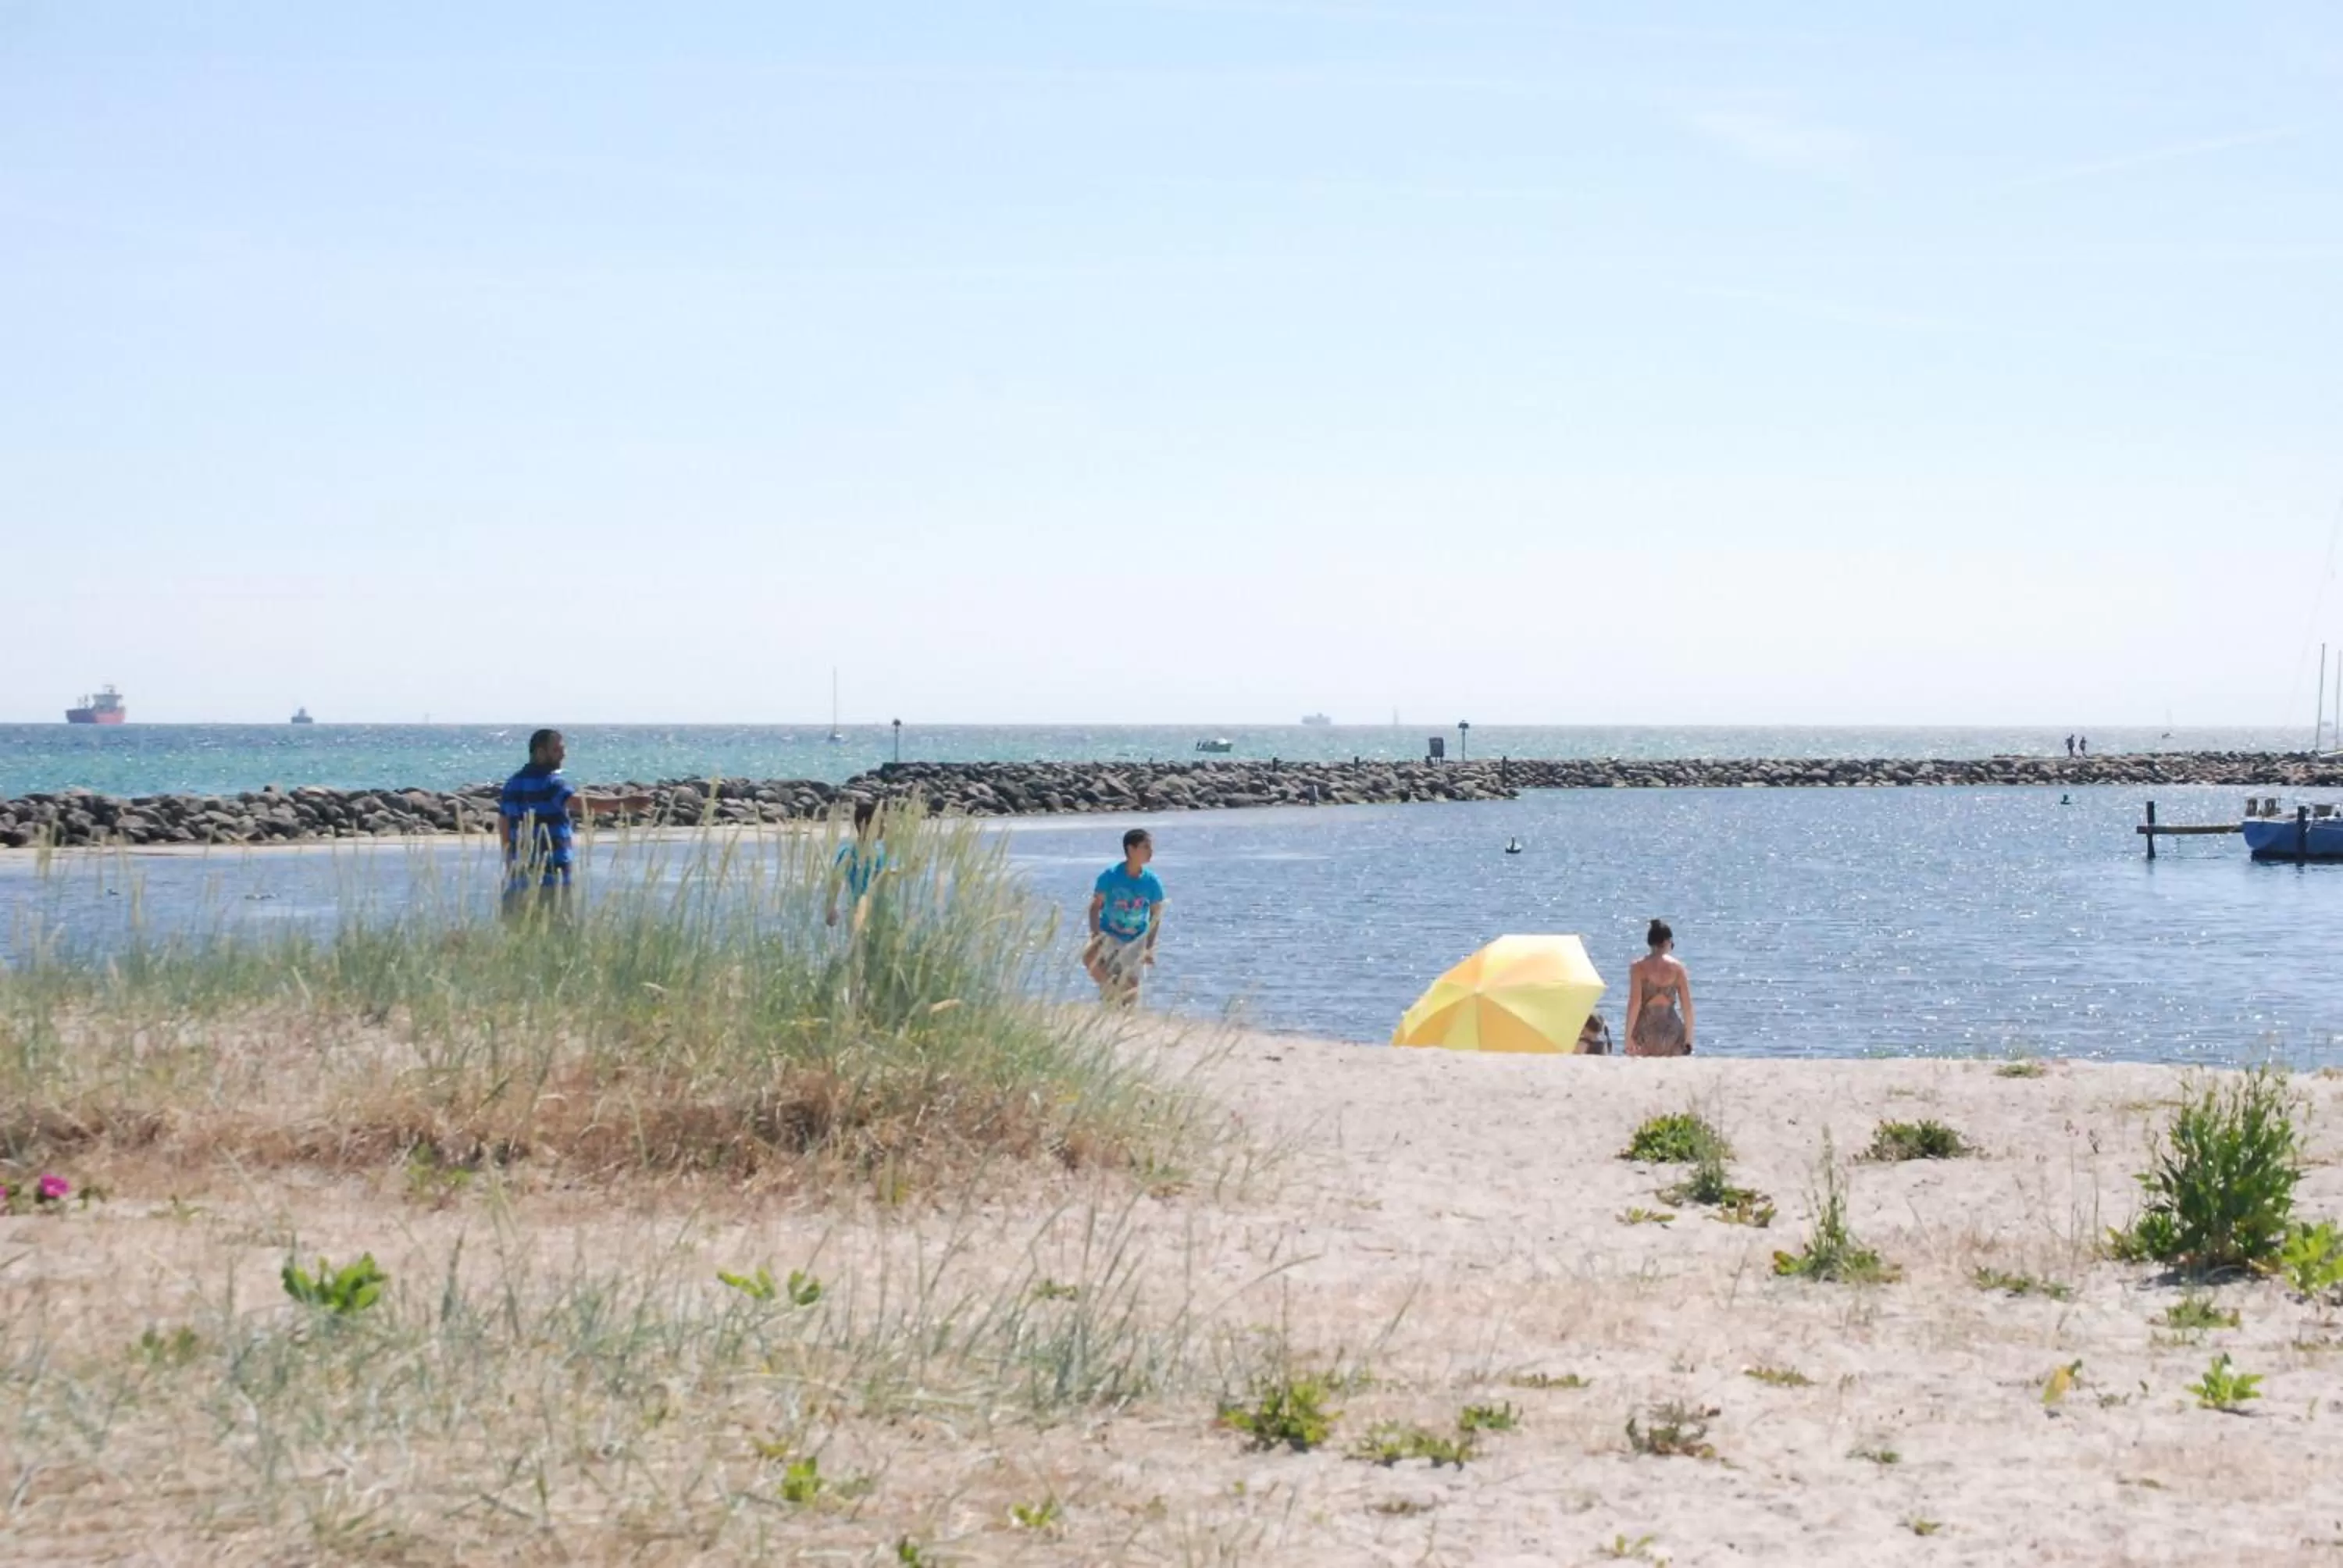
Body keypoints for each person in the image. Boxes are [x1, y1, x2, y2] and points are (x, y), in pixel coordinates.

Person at [497, 729, 650, 918]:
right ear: (540, 753)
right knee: (559, 939)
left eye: (562, 749)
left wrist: (509, 864)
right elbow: (580, 804)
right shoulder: (551, 783)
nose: (563, 754)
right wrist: (624, 803)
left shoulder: (512, 784)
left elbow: (503, 824)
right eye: (557, 749)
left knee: (518, 939)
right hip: (552, 880)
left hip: (519, 879)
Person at [1083, 827, 1166, 1006]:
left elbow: (1156, 915)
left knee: (1130, 990)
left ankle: (1122, 1011)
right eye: (1146, 847)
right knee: (1089, 957)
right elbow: (1095, 907)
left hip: (1136, 938)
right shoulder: (1111, 876)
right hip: (1110, 933)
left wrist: (1150, 947)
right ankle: (1111, 991)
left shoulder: (1152, 882)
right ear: (1131, 849)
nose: (1151, 852)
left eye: (1151, 847)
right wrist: (1095, 935)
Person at [1624, 918, 1695, 1057]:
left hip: (1645, 1029)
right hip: (1672, 1031)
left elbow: (1635, 1003)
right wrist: (1689, 1038)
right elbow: (1687, 1006)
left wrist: (1628, 1037)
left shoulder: (1638, 967)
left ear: (1651, 943)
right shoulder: (1678, 968)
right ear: (1667, 942)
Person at [826, 798, 889, 932]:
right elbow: (836, 880)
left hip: (880, 910)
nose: (885, 826)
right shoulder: (849, 852)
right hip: (857, 910)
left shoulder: (879, 850)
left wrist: (906, 870)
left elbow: (882, 874)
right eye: (881, 822)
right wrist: (832, 907)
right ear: (864, 825)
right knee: (858, 946)